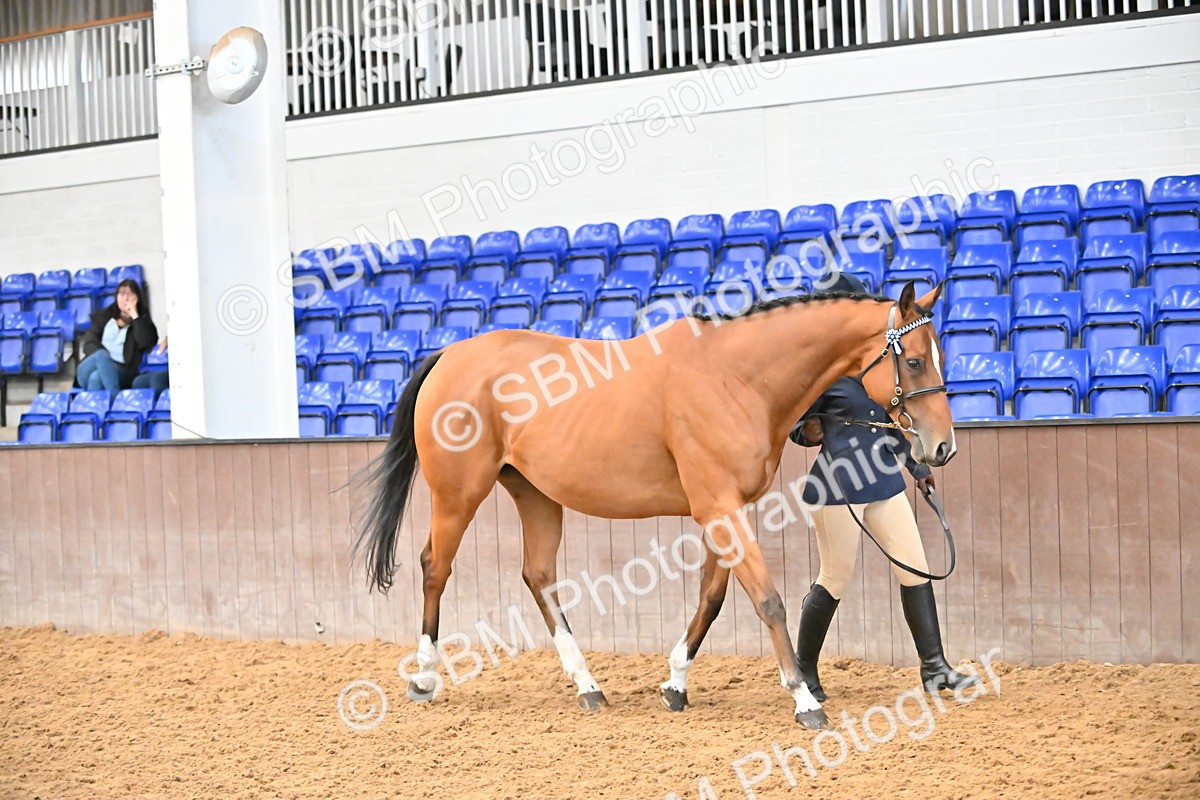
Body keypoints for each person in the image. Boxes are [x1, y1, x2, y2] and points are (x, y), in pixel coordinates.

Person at [791, 270, 978, 700]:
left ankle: (934, 668)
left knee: (914, 567)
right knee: (835, 578)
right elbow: (798, 429)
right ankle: (803, 668)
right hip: (837, 485)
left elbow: (894, 420)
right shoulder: (823, 371)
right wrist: (811, 430)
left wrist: (918, 470)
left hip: (883, 480)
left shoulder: (882, 363)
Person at [77, 279, 158, 394]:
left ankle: (95, 410)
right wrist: (105, 362)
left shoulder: (143, 322)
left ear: (137, 298)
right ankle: (115, 400)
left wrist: (135, 316)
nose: (125, 298)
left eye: (130, 294)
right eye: (122, 294)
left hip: (123, 371)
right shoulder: (102, 317)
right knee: (101, 356)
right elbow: (89, 343)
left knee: (96, 378)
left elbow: (145, 343)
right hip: (91, 366)